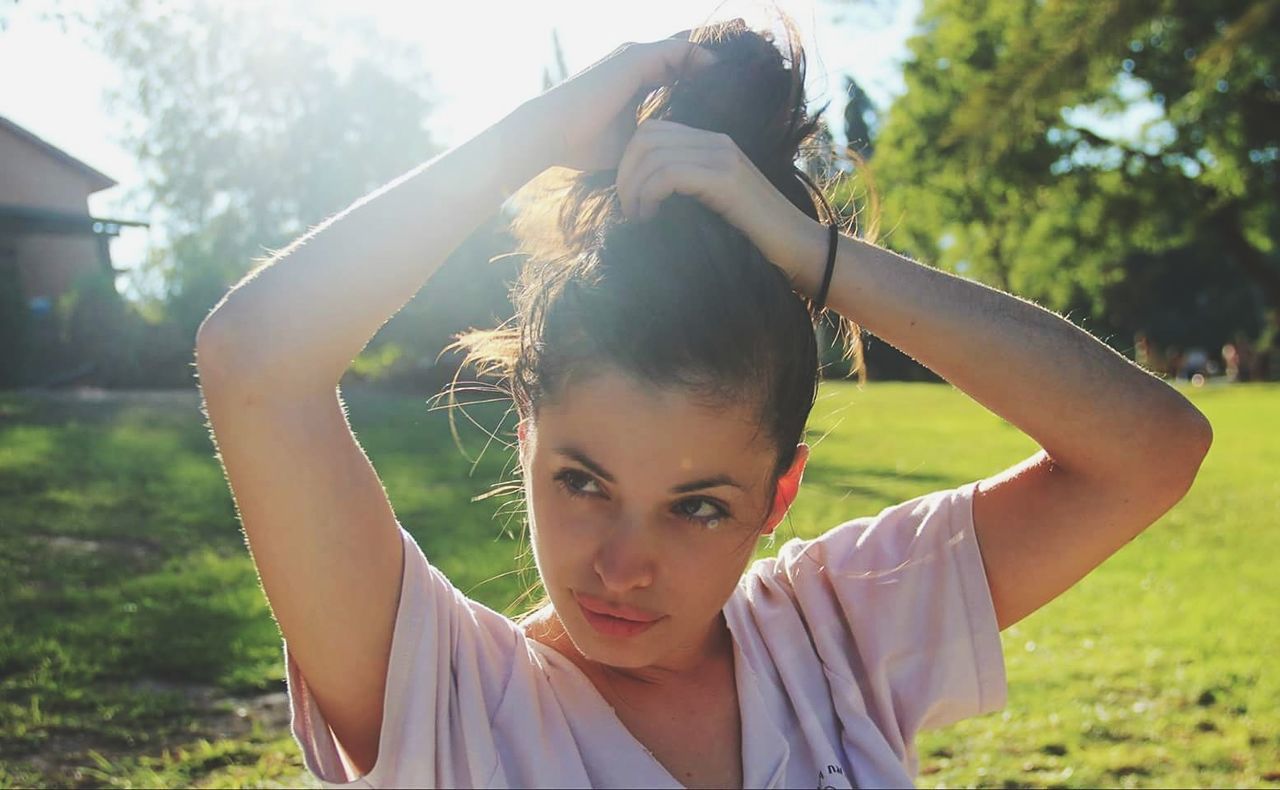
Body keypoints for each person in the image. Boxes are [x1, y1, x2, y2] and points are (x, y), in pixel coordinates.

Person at [194, 18, 1213, 790]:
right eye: (583, 480)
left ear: (779, 495)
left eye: (698, 504)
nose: (621, 565)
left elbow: (1150, 447)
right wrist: (535, 138)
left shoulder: (831, 630)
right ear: (524, 440)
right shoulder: (443, 697)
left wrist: (809, 255)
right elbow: (254, 362)